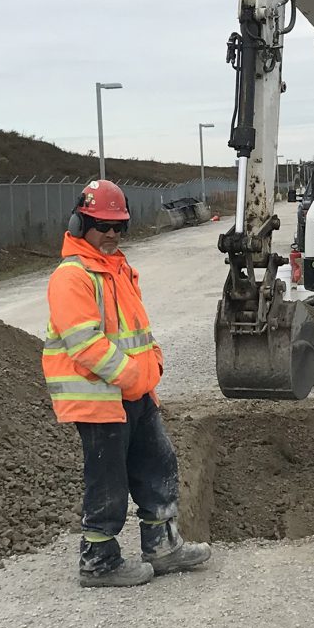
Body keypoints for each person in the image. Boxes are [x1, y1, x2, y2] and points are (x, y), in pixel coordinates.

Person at [43, 178, 211, 588]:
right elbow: (85, 343)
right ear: (80, 223)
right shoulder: (72, 276)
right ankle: (98, 560)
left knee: (158, 465)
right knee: (109, 480)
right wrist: (134, 377)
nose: (113, 234)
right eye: (103, 225)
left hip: (134, 394)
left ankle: (162, 546)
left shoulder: (118, 270)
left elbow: (136, 330)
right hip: (100, 399)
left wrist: (153, 361)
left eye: (119, 226)